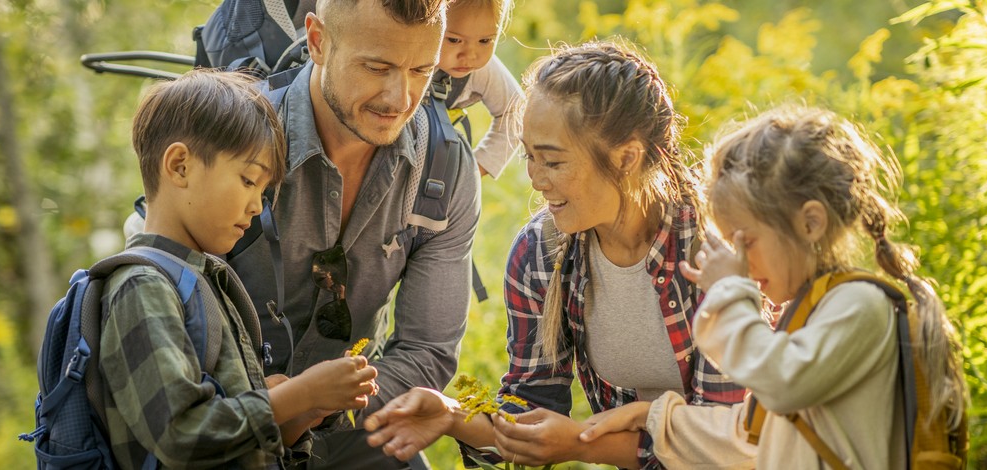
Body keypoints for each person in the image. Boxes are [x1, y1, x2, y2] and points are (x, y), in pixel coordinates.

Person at [364, 41, 746, 469]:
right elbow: (532, 412)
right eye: (529, 156)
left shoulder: (716, 249)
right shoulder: (540, 255)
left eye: (552, 161)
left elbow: (725, 441)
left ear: (626, 158)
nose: (536, 180)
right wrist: (453, 416)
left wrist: (584, 447)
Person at [578, 106, 968, 469]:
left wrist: (730, 292)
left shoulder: (860, 306)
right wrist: (654, 416)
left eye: (745, 241)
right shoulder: (809, 311)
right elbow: (753, 437)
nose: (741, 260)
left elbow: (783, 384)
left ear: (810, 224)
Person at [227, 0, 482, 468]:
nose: (399, 97)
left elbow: (427, 350)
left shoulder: (444, 168)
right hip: (231, 419)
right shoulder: (235, 136)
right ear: (318, 41)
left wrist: (318, 406)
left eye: (421, 70)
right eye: (377, 66)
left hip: (353, 422)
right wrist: (274, 408)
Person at [98, 69, 378, 469]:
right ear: (179, 166)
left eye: (263, 192)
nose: (256, 206)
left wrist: (299, 413)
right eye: (248, 180)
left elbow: (233, 444)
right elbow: (181, 434)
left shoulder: (205, 280)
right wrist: (290, 397)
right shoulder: (142, 286)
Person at [436, 0, 523, 178]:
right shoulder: (401, 56)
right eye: (454, 40)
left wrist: (474, 170)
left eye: (485, 40)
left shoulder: (480, 70)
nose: (470, 54)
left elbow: (515, 112)